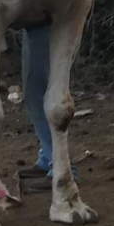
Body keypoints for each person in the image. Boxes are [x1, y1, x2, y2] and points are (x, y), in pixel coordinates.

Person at [15, 23, 78, 192]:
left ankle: (59, 164)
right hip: (38, 26)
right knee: (37, 91)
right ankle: (47, 158)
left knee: (37, 91)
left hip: (44, 24)